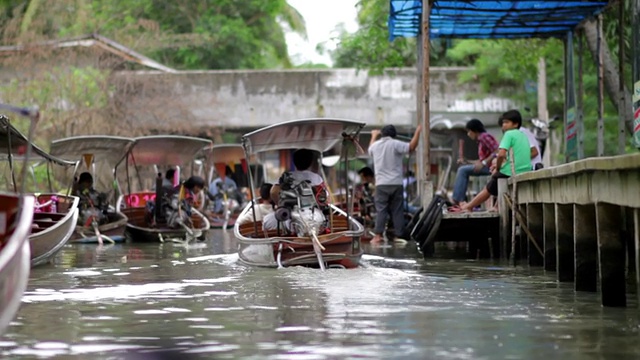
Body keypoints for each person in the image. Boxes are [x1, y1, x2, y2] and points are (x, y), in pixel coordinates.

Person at [456, 110, 532, 212]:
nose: (503, 126)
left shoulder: (508, 135)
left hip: (513, 171)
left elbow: (500, 154)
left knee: (488, 188)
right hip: (525, 170)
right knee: (497, 182)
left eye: (506, 122)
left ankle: (469, 206)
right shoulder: (523, 135)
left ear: (515, 124)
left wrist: (498, 168)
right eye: (503, 123)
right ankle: (496, 207)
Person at [367, 124, 422, 244]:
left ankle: (377, 236)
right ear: (394, 135)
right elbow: (411, 147)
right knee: (397, 210)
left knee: (381, 210)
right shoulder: (396, 144)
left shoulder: (375, 145)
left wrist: (373, 135)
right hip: (396, 183)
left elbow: (369, 150)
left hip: (381, 184)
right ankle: (399, 235)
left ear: (382, 134)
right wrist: (418, 132)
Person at [451, 119, 499, 205]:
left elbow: (497, 151)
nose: (468, 134)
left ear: (475, 130)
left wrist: (484, 163)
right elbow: (480, 162)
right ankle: (458, 199)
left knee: (462, 170)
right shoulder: (480, 140)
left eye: (469, 131)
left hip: (493, 167)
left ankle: (457, 200)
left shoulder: (484, 137)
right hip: (487, 166)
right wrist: (467, 161)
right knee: (463, 168)